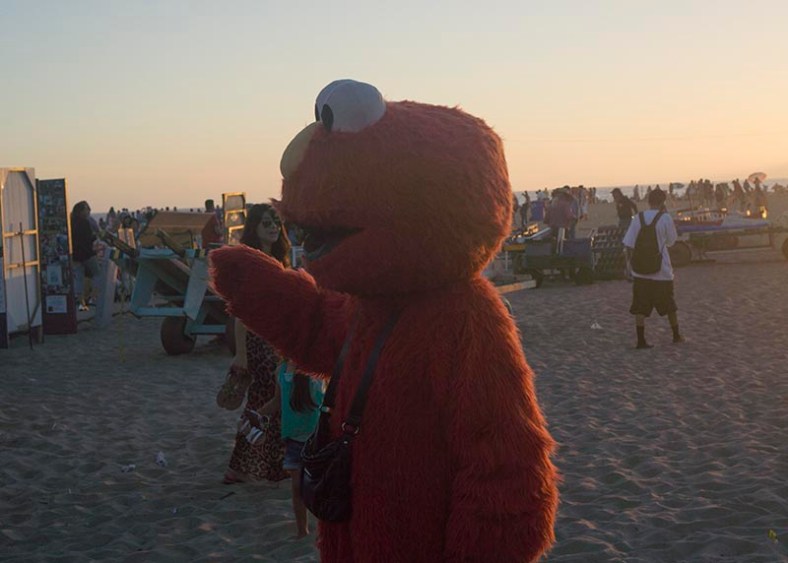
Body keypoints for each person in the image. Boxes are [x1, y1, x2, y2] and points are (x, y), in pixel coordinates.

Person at [221, 204, 291, 485]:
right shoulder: (253, 262)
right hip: (258, 342)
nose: (273, 227)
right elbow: (241, 312)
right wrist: (241, 354)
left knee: (275, 401)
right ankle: (238, 467)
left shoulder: (278, 258)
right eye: (266, 223)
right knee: (266, 403)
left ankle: (272, 465)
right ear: (255, 229)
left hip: (276, 341)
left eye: (275, 221)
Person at [253, 360, 325, 537]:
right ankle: (302, 531)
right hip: (293, 439)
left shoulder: (316, 369)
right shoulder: (282, 370)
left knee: (318, 486)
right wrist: (257, 414)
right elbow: (277, 401)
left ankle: (324, 529)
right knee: (297, 487)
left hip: (316, 438)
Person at [623, 188, 684, 349]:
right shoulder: (665, 218)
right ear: (663, 202)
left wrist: (628, 265)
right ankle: (676, 335)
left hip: (640, 270)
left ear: (648, 201)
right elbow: (671, 241)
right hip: (661, 270)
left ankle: (641, 339)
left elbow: (629, 243)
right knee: (669, 304)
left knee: (640, 306)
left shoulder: (638, 218)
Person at [70, 201, 98, 311]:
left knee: (79, 278)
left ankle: (81, 302)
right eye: (86, 209)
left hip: (75, 254)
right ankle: (93, 297)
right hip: (87, 253)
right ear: (81, 210)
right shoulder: (84, 222)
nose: (88, 211)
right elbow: (88, 239)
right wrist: (94, 237)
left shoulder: (71, 222)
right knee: (97, 273)